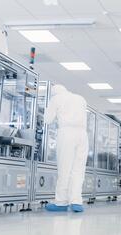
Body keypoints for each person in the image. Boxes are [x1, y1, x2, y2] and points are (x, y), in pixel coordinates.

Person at [44, 84, 88, 213]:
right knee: (78, 169)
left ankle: (61, 202)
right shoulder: (80, 98)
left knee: (64, 169)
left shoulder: (56, 98)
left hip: (67, 133)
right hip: (82, 135)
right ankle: (76, 202)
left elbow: (47, 119)